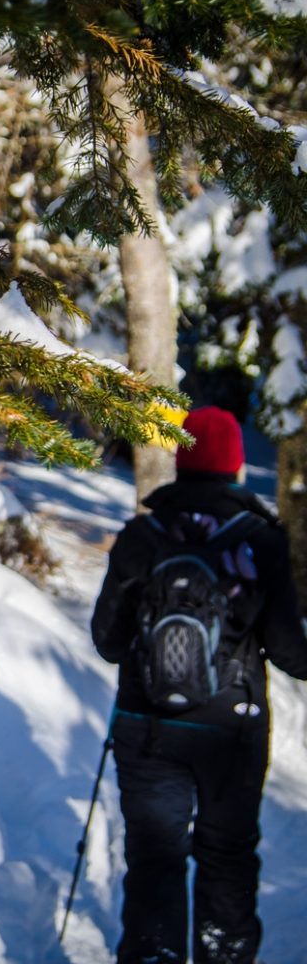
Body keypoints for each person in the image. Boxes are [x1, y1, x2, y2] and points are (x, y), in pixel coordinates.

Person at [90, 405, 307, 964]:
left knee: (155, 859)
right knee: (228, 856)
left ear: (181, 461)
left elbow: (109, 641)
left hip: (148, 726)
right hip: (231, 730)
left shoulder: (143, 534)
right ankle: (224, 954)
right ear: (236, 465)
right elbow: (288, 651)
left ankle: (153, 955)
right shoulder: (261, 541)